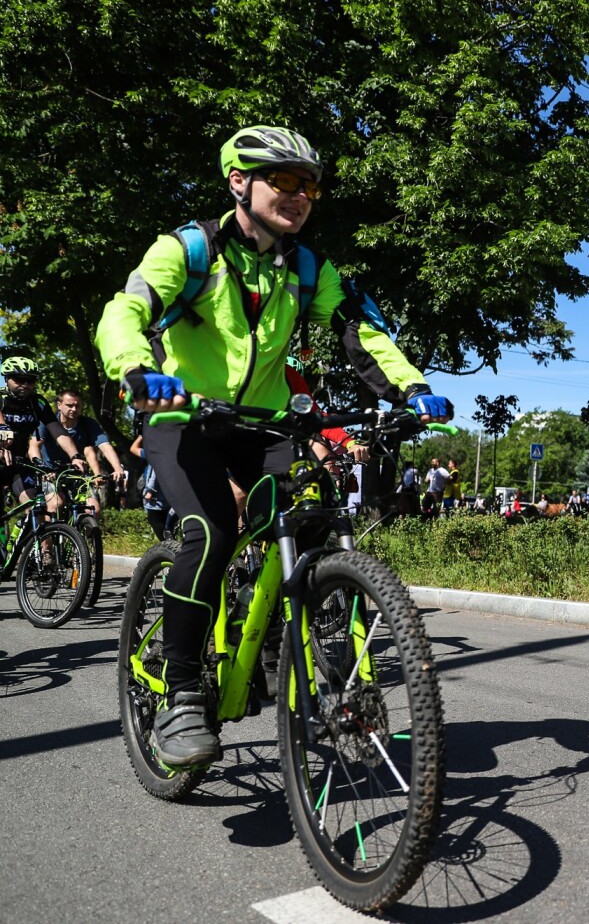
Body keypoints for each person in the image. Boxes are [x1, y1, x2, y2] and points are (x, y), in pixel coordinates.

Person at [95, 125, 452, 766]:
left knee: (315, 522)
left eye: (309, 185)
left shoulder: (309, 269)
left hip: (262, 423)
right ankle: (180, 692)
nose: (300, 194)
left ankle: (337, 688)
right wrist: (136, 371)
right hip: (182, 417)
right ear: (240, 181)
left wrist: (411, 386)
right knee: (209, 532)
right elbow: (127, 309)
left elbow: (357, 328)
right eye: (283, 179)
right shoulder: (189, 250)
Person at [0, 358, 87, 507]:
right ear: (7, 378)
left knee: (35, 505)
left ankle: (31, 530)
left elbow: (59, 432)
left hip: (20, 462)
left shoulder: (38, 402)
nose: (26, 385)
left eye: (31, 380)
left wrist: (75, 456)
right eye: (20, 379)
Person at [43, 389, 128, 518]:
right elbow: (34, 446)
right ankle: (49, 535)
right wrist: (42, 469)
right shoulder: (48, 422)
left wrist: (117, 468)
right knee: (56, 505)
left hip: (77, 473)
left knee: (93, 510)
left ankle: (82, 538)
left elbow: (105, 446)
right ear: (59, 405)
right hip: (51, 473)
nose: (74, 409)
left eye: (77, 405)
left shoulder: (88, 424)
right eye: (69, 405)